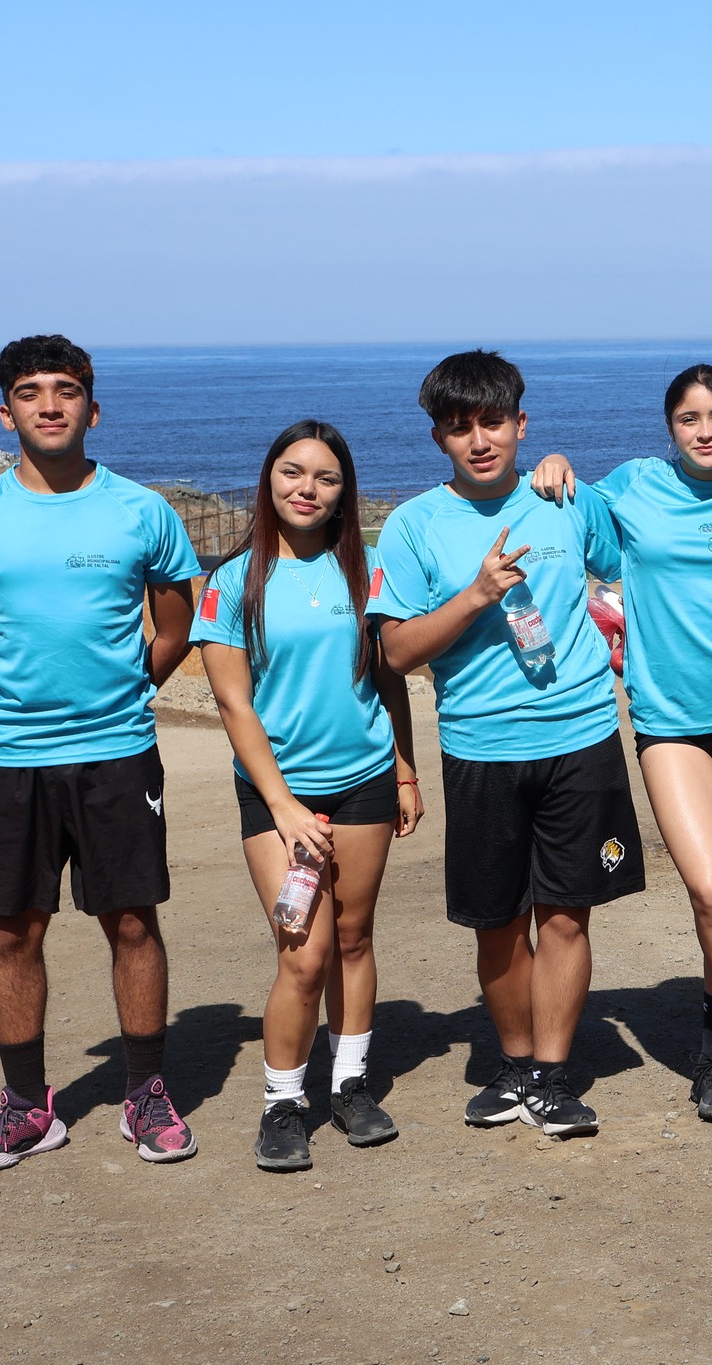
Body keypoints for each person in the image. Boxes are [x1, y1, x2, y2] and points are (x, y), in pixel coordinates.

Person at [0, 335, 202, 1171]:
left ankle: (146, 1093)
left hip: (118, 752)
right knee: (12, 929)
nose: (49, 404)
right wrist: (20, 694)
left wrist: (124, 689)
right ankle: (26, 1107)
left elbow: (176, 619)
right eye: (29, 391)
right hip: (11, 755)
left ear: (93, 405)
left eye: (66, 390)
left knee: (131, 920)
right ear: (4, 410)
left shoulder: (142, 510)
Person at [371, 350, 644, 1139]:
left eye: (494, 422)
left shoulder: (565, 496)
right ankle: (517, 1063)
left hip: (582, 732)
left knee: (566, 914)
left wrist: (572, 473)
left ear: (522, 425)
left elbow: (632, 558)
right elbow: (396, 651)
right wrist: (479, 594)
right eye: (460, 429)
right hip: (480, 745)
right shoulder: (415, 524)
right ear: (438, 439)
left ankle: (552, 1076)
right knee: (497, 919)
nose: (480, 440)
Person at [527, 365, 712, 1126]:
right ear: (670, 429)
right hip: (668, 718)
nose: (705, 429)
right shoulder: (635, 486)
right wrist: (554, 466)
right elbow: (569, 514)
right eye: (689, 418)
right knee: (711, 886)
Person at [193, 420, 424, 1171]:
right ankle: (282, 1103)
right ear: (268, 479)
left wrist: (406, 768)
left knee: (353, 938)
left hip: (363, 783)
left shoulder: (371, 570)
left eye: (325, 478)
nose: (307, 488)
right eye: (292, 472)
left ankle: (350, 1086)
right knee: (303, 952)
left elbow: (387, 678)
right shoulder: (232, 583)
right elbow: (235, 707)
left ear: (343, 493)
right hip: (275, 796)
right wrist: (286, 806)